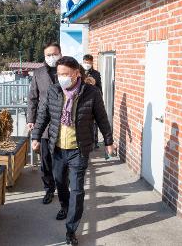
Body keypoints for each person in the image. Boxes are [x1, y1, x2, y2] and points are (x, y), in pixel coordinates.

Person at [31, 56, 114, 245]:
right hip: (58, 149)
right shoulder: (53, 91)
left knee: (76, 190)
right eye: (59, 74)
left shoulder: (91, 93)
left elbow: (101, 118)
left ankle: (71, 230)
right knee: (60, 183)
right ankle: (65, 207)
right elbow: (43, 116)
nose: (62, 78)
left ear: (77, 73)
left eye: (66, 74)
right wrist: (36, 137)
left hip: (78, 149)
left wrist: (108, 141)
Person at [27, 42, 61, 204]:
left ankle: (63, 187)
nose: (51, 57)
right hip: (45, 124)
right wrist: (31, 120)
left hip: (64, 124)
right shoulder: (38, 73)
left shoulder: (67, 70)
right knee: (46, 160)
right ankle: (49, 189)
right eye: (48, 55)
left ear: (60, 54)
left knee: (62, 160)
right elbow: (33, 98)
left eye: (54, 54)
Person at [82, 54, 102, 149]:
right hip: (82, 100)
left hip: (93, 101)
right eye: (85, 62)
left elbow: (100, 89)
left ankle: (95, 141)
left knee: (94, 122)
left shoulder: (96, 74)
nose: (87, 64)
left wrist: (94, 84)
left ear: (92, 62)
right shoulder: (79, 72)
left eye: (89, 62)